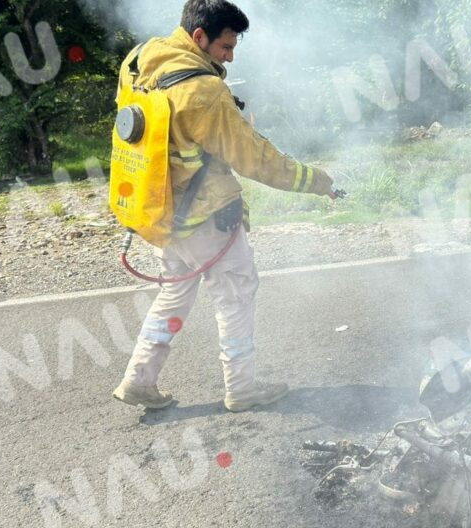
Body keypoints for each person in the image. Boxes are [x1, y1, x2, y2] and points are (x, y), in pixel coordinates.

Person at [112, 0, 337, 412]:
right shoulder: (203, 91)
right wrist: (318, 181)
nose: (231, 56)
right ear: (199, 38)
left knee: (175, 295)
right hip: (208, 218)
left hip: (159, 210)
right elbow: (257, 161)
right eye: (225, 47)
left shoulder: (140, 60)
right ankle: (243, 387)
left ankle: (139, 379)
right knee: (236, 294)